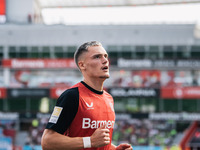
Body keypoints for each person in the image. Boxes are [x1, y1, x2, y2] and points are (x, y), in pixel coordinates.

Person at [41, 41, 133, 150]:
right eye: (97, 57)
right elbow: (47, 141)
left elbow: (97, 142)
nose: (105, 61)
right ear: (82, 65)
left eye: (105, 56)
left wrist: (114, 149)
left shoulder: (109, 98)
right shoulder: (72, 95)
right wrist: (90, 141)